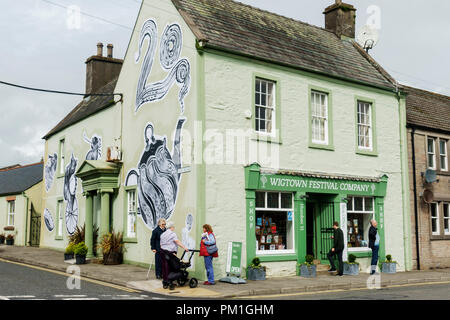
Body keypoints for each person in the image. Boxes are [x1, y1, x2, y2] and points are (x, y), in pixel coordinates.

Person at [159, 221, 189, 289]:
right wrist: (185, 247)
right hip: (170, 253)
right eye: (173, 227)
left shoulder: (162, 234)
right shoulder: (173, 234)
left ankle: (165, 281)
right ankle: (170, 281)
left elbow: (161, 245)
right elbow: (177, 241)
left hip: (163, 252)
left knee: (164, 267)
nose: (174, 228)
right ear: (171, 227)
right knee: (172, 267)